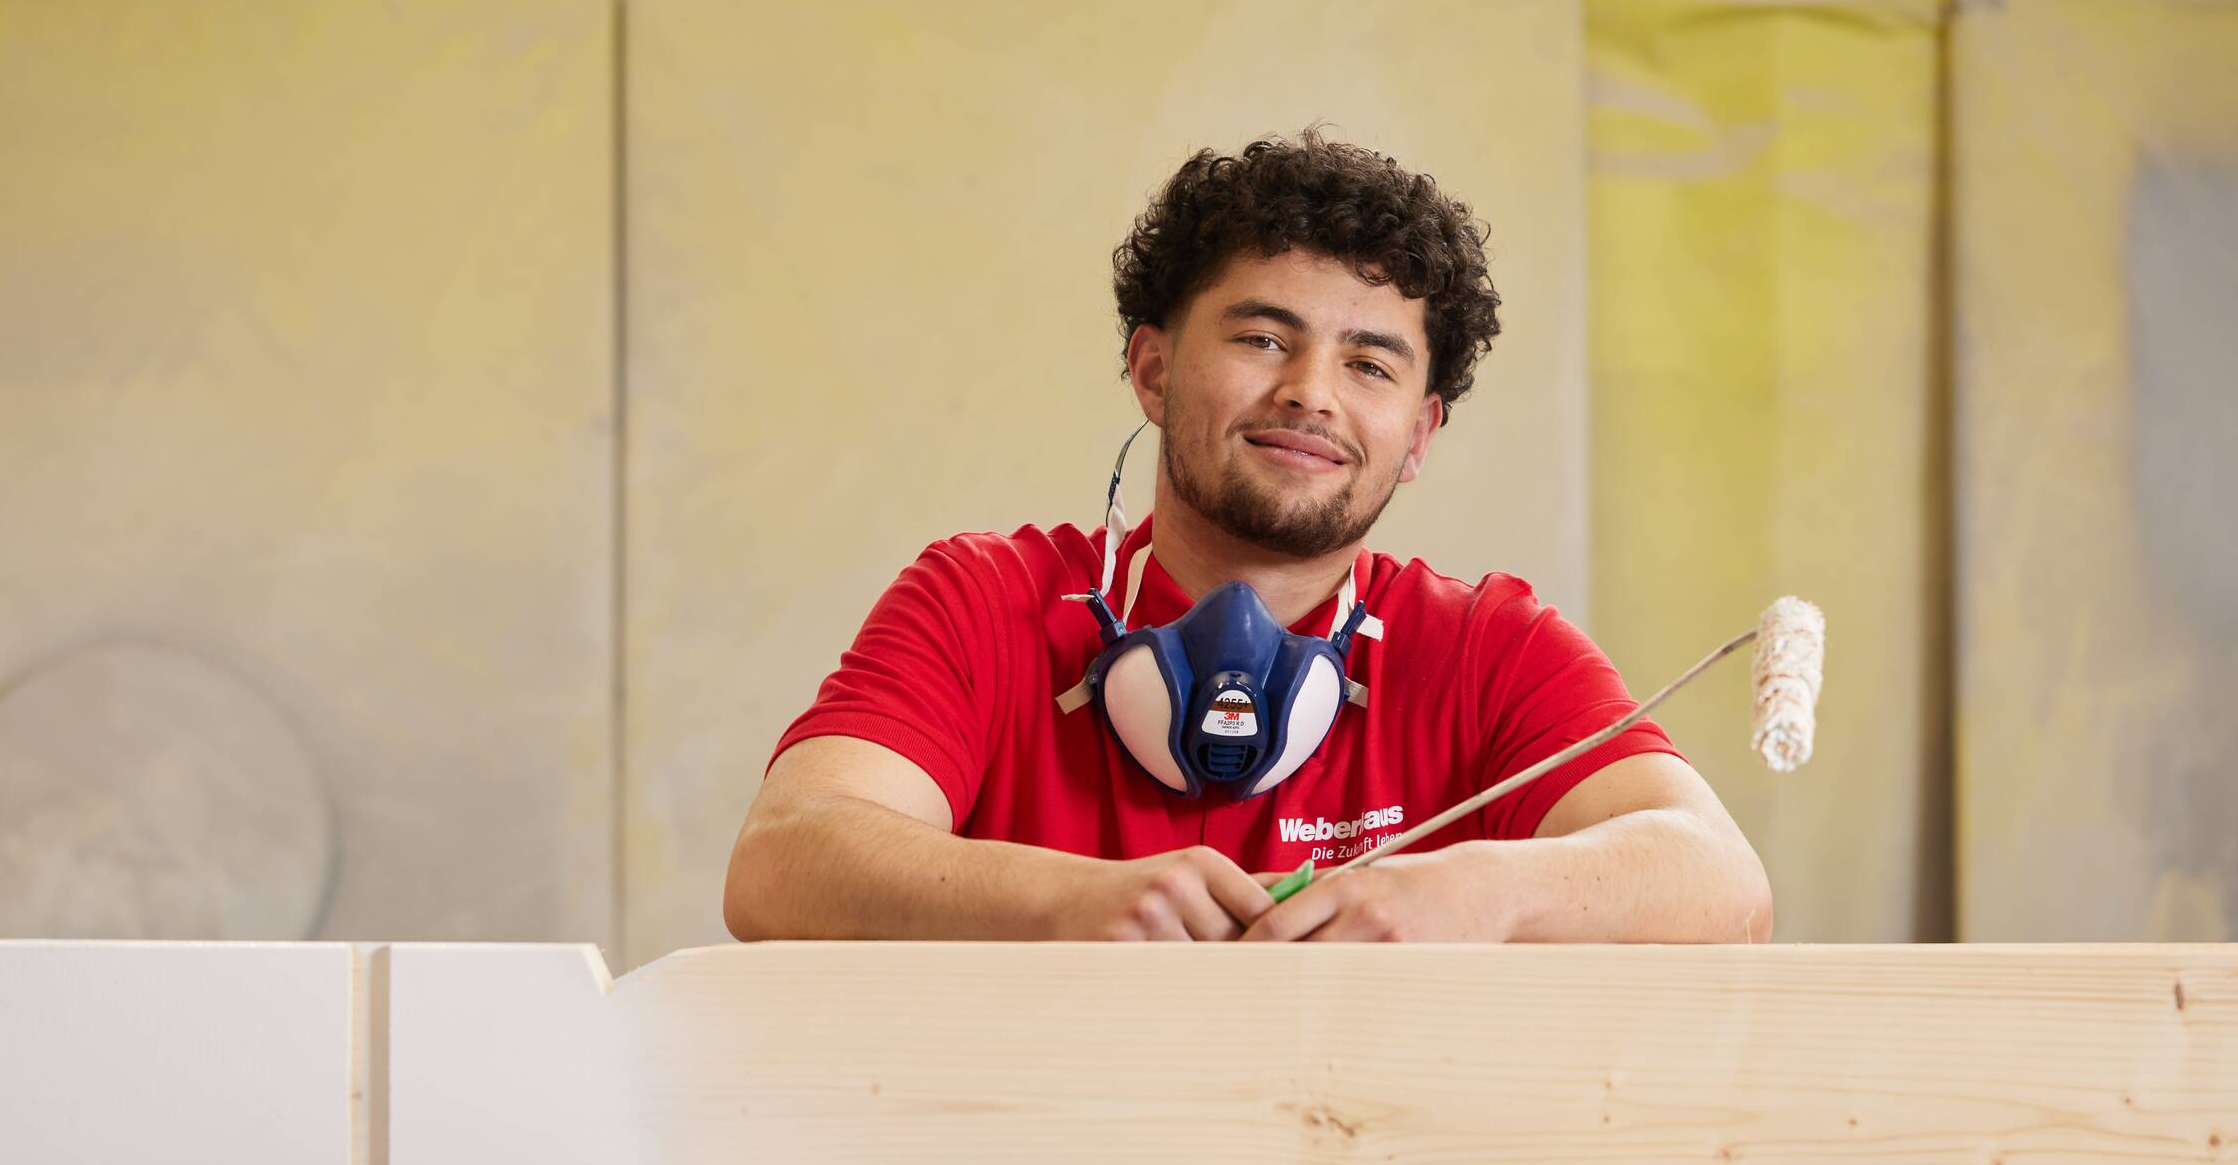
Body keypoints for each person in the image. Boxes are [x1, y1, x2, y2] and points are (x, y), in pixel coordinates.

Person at [726, 129, 1773, 944]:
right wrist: (1066, 902)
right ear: (1150, 369)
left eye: (1369, 365)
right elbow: (781, 860)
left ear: (1418, 433)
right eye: (1263, 337)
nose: (1308, 393)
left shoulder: (1485, 648)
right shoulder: (982, 599)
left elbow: (1721, 887)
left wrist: (1478, 893)